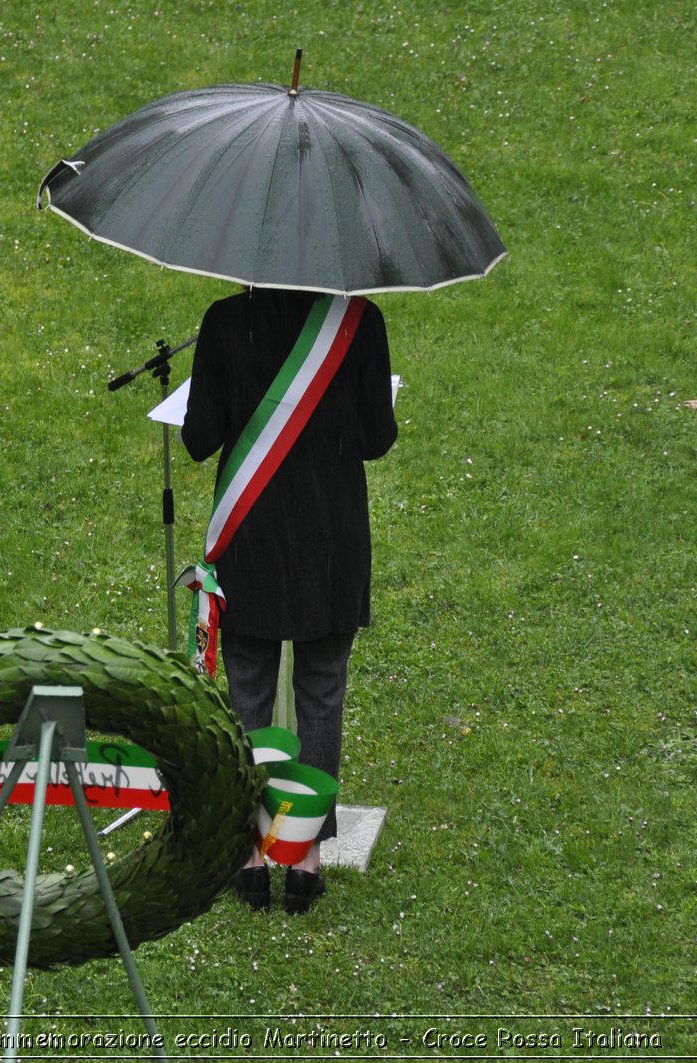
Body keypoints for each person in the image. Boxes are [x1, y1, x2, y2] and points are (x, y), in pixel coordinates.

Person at [181, 286, 398, 914]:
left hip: (252, 536)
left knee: (249, 689)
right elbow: (376, 436)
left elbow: (199, 439)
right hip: (331, 536)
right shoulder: (359, 321)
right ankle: (303, 859)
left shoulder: (226, 320)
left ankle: (253, 854)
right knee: (321, 692)